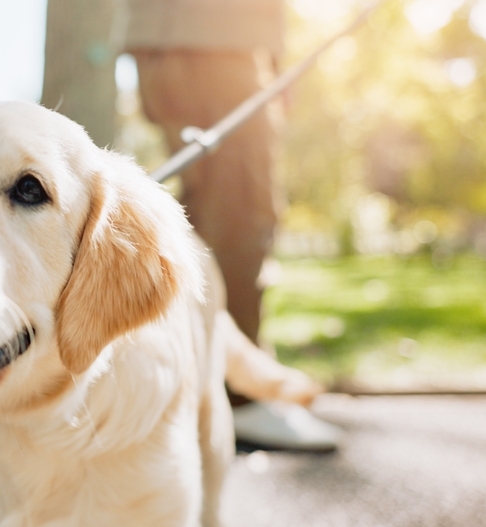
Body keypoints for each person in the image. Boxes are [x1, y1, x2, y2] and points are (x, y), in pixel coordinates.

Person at [122, 0, 341, 451]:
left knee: (205, 217)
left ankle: (194, 388)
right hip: (212, 41)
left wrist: (272, 56)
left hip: (187, 39)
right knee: (241, 212)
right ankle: (238, 398)